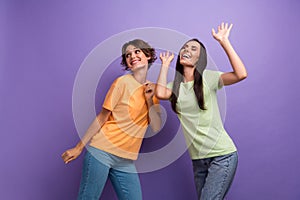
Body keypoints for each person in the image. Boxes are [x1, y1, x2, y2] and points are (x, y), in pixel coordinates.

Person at [156, 22, 247, 199]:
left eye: (193, 48)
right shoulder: (174, 87)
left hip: (222, 156)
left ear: (199, 58)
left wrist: (224, 42)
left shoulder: (209, 78)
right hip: (198, 161)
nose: (186, 50)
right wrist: (165, 65)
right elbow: (160, 93)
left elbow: (241, 74)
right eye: (184, 48)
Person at [61, 39, 161, 200]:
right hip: (102, 152)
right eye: (128, 55)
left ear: (148, 55)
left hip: (126, 160)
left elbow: (156, 126)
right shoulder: (121, 83)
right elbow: (102, 117)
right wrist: (78, 148)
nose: (132, 56)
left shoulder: (153, 90)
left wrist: (149, 100)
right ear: (127, 63)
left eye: (137, 52)